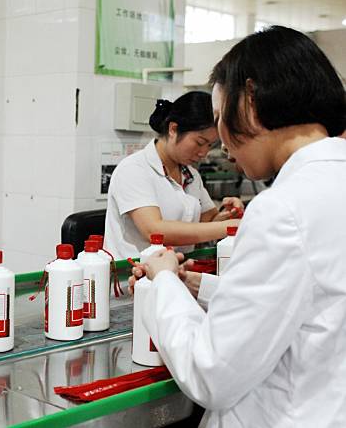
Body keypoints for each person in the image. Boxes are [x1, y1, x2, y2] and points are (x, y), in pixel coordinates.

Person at [135, 26, 346, 426]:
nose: (223, 146)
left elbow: (211, 371)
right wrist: (203, 287)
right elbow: (314, 300)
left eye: (220, 119)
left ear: (249, 102)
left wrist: (163, 281)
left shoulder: (283, 208)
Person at [104, 91, 242, 260]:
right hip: (132, 278)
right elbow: (154, 230)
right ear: (173, 129)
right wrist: (229, 227)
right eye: (199, 142)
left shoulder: (191, 175)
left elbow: (208, 221)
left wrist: (227, 215)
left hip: (176, 272)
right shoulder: (134, 169)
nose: (203, 153)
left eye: (210, 145)